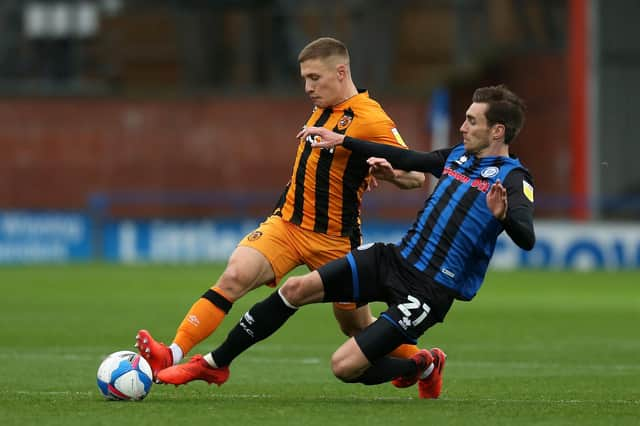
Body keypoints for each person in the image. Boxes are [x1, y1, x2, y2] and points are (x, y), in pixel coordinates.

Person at [155, 85, 535, 399]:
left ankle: (424, 364)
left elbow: (527, 237)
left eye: (472, 120)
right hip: (393, 259)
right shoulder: (455, 158)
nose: (463, 127)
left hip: (430, 289)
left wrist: (503, 216)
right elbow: (401, 155)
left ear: (497, 131)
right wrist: (342, 140)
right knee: (295, 289)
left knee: (345, 367)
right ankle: (214, 364)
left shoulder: (515, 179)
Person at [135, 37, 426, 379]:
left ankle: (424, 364)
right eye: (304, 78)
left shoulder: (371, 118)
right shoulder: (324, 106)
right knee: (234, 276)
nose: (308, 87)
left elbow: (417, 176)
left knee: (356, 327)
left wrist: (390, 175)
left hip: (334, 240)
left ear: (341, 72)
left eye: (315, 78)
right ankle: (171, 353)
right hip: (286, 225)